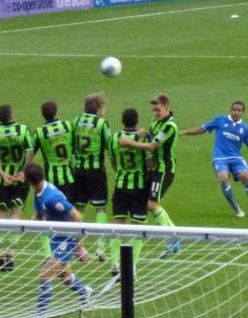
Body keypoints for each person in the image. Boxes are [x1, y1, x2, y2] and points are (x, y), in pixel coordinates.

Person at [20, 164, 91, 318]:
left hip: (66, 240)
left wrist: (79, 247)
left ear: (28, 180)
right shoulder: (39, 191)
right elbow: (38, 214)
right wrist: (21, 228)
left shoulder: (52, 197)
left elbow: (78, 218)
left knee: (44, 274)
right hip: (55, 238)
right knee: (64, 276)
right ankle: (84, 291)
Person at [180, 101, 248, 220]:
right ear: (230, 110)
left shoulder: (245, 129)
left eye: (239, 110)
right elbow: (201, 129)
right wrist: (184, 132)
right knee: (223, 177)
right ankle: (235, 207)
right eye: (234, 109)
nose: (236, 112)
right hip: (220, 157)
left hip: (236, 158)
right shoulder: (220, 120)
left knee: (245, 176)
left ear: (243, 113)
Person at [118, 93, 179, 255]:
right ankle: (174, 233)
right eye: (153, 110)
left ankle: (171, 237)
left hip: (164, 170)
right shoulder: (155, 123)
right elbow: (149, 139)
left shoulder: (170, 126)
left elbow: (152, 146)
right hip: (154, 169)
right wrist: (140, 133)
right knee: (151, 204)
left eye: (158, 109)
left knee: (151, 204)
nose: (155, 113)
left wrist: (129, 141)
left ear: (167, 108)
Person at [0, 104, 35, 271]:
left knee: (0, 215)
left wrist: (2, 174)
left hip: (3, 181)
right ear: (12, 115)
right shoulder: (23, 129)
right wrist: (23, 172)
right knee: (16, 214)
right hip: (20, 181)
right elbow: (30, 152)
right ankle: (11, 252)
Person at [72, 93, 112, 261]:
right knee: (100, 208)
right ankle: (101, 248)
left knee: (79, 208)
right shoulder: (102, 124)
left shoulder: (75, 121)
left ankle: (77, 246)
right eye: (103, 107)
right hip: (96, 172)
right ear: (98, 108)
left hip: (79, 170)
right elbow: (110, 144)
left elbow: (71, 143)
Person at [108, 108, 147, 277]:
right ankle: (133, 266)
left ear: (122, 121)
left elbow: (113, 162)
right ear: (136, 121)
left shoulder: (114, 138)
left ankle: (115, 262)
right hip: (138, 187)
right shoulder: (141, 139)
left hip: (120, 185)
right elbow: (150, 164)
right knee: (138, 227)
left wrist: (122, 171)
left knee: (118, 225)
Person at [33, 100, 76, 204]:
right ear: (57, 112)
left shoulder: (39, 132)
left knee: (51, 212)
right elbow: (75, 147)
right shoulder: (68, 126)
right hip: (69, 177)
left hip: (52, 180)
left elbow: (30, 154)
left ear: (43, 115)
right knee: (69, 211)